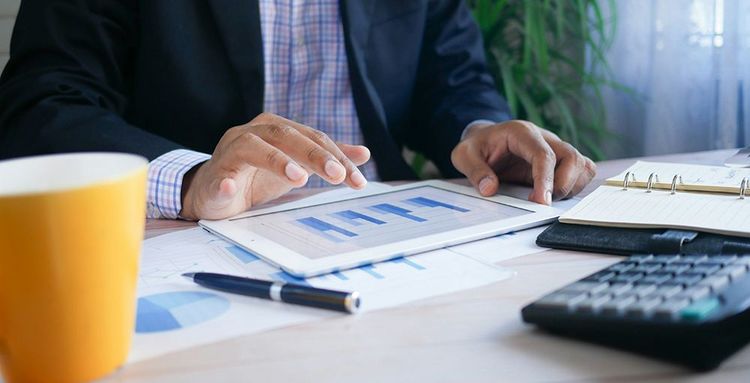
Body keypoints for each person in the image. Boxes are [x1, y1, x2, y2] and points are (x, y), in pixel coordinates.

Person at [0, 0, 596, 220]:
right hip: (190, 236)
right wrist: (189, 177)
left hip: (386, 227)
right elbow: (39, 107)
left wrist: (482, 130)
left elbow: (450, 77)